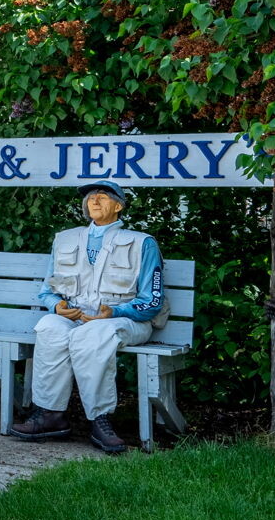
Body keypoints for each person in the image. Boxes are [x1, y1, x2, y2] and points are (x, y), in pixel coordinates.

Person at [11, 179, 164, 455]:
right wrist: (57, 306)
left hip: (126, 321)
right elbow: (47, 291)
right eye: (91, 196)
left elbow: (152, 302)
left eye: (103, 196)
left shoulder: (142, 243)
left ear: (119, 206)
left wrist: (114, 312)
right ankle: (50, 415)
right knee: (49, 327)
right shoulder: (65, 239)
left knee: (93, 333)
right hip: (76, 316)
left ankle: (99, 419)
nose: (94, 200)